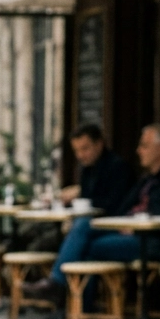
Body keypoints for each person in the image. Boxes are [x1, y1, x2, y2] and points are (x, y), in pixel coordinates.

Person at [27, 124, 160, 305]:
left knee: (85, 241)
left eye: (144, 146)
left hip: (154, 242)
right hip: (131, 235)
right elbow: (123, 208)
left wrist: (134, 227)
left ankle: (63, 294)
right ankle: (76, 309)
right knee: (84, 235)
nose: (139, 151)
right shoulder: (147, 179)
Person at [25, 123, 131, 301]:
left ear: (99, 144)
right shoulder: (86, 169)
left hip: (114, 225)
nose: (81, 155)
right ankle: (81, 313)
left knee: (81, 227)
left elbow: (114, 205)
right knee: (83, 248)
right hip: (92, 229)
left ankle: (56, 283)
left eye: (85, 148)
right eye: (77, 150)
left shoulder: (118, 167)